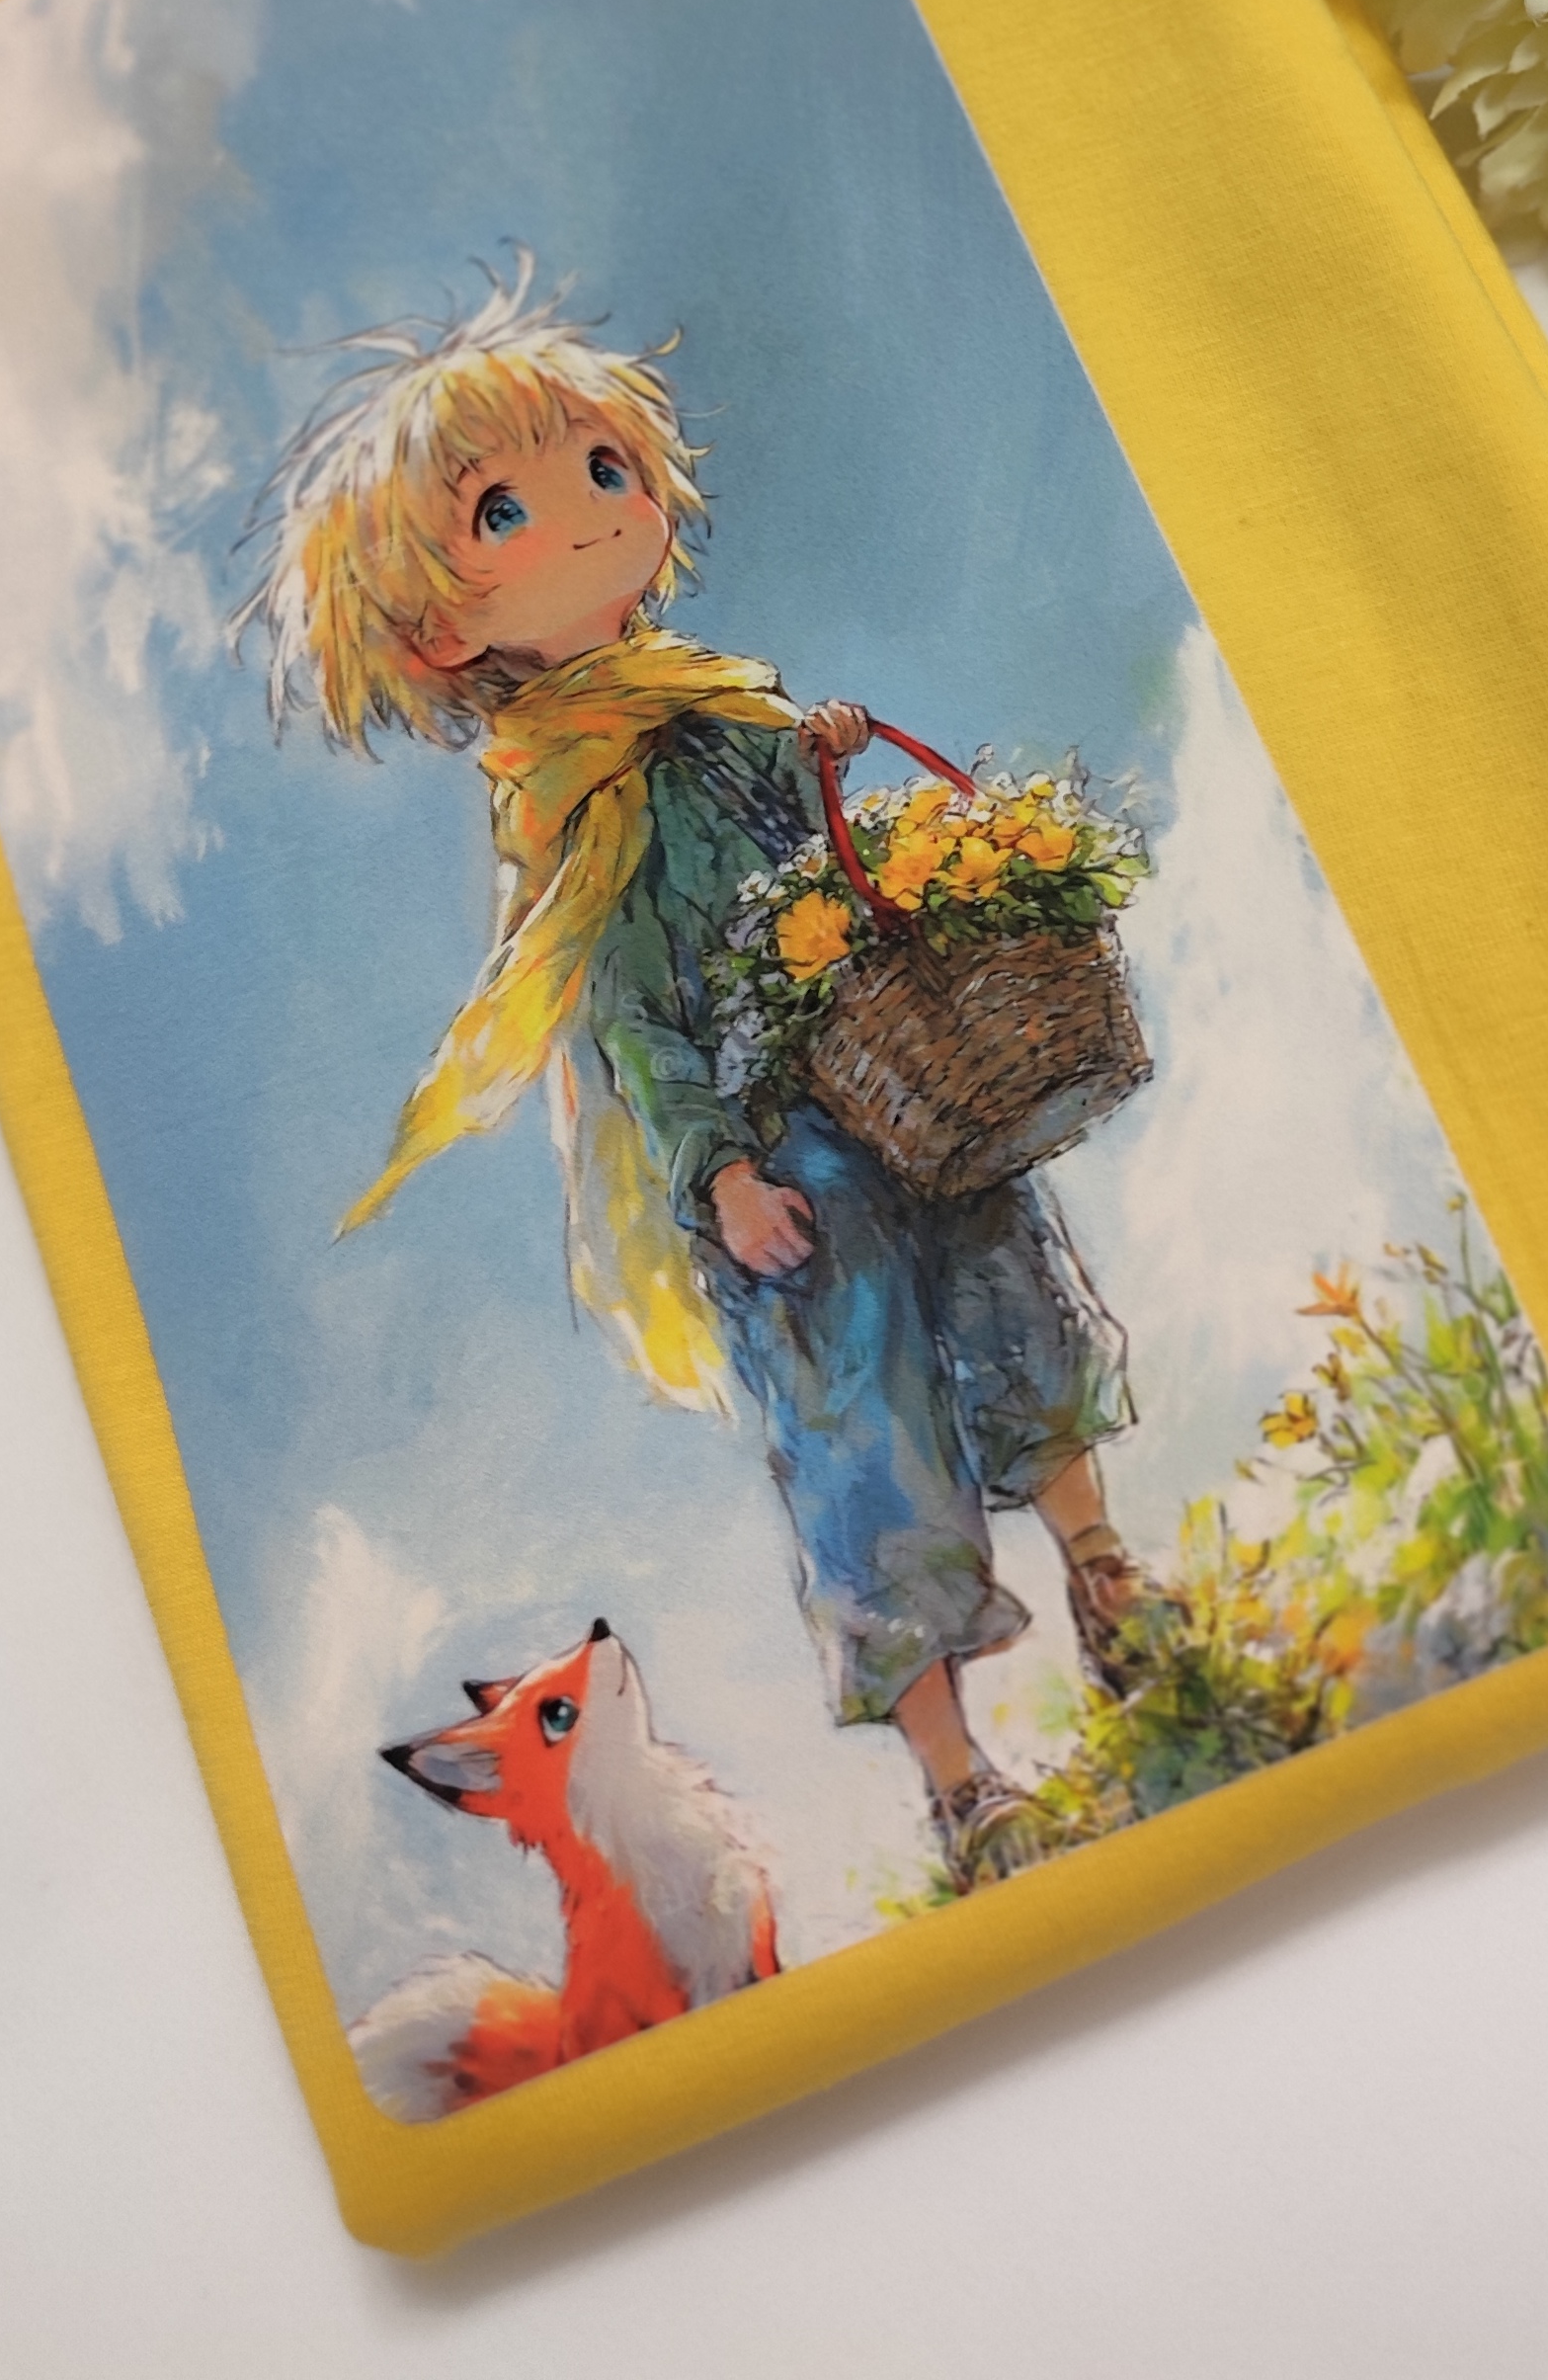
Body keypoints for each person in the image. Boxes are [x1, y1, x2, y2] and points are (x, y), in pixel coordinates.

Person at [246, 269, 1149, 1888]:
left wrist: (829, 764)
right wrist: (720, 1174)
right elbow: (624, 1021)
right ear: (444, 627)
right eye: (508, 508)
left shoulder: (719, 712)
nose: (596, 512)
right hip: (775, 1157)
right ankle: (960, 1784)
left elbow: (822, 863)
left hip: (887, 1075)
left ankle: (1107, 1575)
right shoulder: (573, 788)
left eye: (607, 469)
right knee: (863, 1436)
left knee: (1011, 1289)